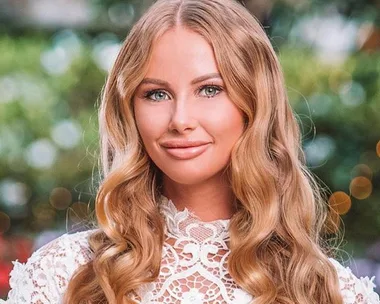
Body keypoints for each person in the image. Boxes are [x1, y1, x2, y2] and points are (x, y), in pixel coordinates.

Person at [2, 0, 379, 303]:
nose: (180, 119)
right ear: (129, 109)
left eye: (210, 89)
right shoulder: (63, 275)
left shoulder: (327, 291)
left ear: (255, 104)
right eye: (156, 94)